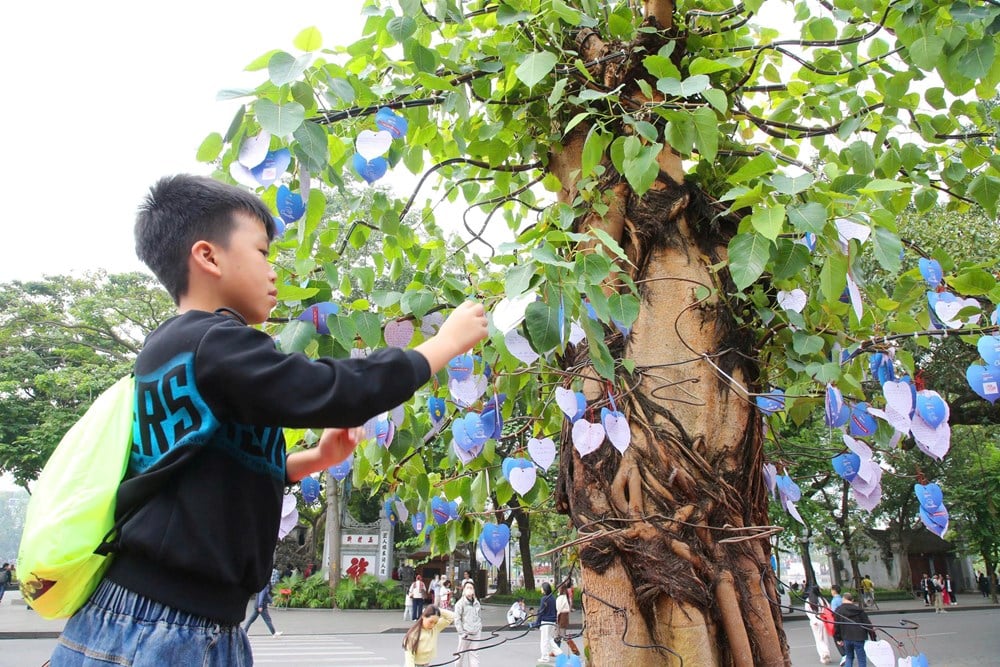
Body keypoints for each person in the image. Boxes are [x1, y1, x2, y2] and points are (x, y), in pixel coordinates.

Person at [48, 174, 489, 666]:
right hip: (161, 628)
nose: (273, 270)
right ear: (208, 256)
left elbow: (216, 473)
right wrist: (443, 345)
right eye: (262, 252)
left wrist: (315, 459)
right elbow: (332, 389)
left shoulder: (186, 351)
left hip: (177, 623)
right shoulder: (213, 342)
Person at [833, 592, 876, 667]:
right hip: (859, 637)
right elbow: (867, 624)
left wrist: (838, 638)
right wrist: (873, 637)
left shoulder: (838, 610)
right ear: (852, 600)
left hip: (846, 637)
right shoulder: (859, 610)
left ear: (843, 599)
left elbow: (836, 626)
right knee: (861, 659)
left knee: (849, 657)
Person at [453, 581, 483, 667]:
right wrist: (461, 633)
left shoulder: (477, 603)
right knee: (459, 657)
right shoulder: (460, 604)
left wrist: (479, 628)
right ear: (464, 590)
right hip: (465, 634)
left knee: (474, 656)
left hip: (476, 633)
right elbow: (457, 620)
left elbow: (479, 616)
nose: (469, 589)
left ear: (474, 590)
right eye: (467, 587)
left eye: (471, 588)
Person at [532, 582, 561, 663]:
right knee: (550, 639)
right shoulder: (553, 598)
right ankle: (560, 653)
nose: (541, 589)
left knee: (544, 640)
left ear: (544, 589)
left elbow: (541, 611)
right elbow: (556, 610)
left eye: (541, 588)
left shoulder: (544, 599)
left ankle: (545, 657)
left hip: (545, 622)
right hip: (553, 622)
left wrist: (537, 623)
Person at [555, 584, 579, 656]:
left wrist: (556, 617)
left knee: (562, 635)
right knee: (557, 635)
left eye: (558, 588)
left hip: (561, 616)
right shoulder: (566, 597)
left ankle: (575, 650)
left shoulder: (561, 597)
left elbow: (558, 608)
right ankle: (556, 651)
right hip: (564, 616)